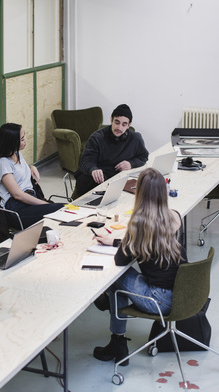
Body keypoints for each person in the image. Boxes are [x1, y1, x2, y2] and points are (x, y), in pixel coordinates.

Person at [92, 168, 187, 366]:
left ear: (139, 193)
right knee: (119, 284)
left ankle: (117, 340)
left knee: (115, 277)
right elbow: (151, 244)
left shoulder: (140, 224)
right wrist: (116, 241)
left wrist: (125, 237)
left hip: (158, 300)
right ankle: (115, 335)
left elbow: (120, 261)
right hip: (180, 293)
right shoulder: (176, 216)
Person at [0, 123, 65, 229]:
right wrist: (45, 204)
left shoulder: (17, 153)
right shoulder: (3, 163)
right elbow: (18, 195)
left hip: (29, 199)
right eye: (22, 139)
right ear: (12, 142)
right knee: (61, 209)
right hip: (17, 208)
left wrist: (32, 167)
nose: (25, 141)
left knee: (63, 210)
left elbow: (20, 169)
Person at [75, 104, 148, 196]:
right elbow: (85, 161)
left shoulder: (135, 138)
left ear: (129, 125)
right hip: (98, 179)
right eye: (117, 122)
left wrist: (131, 163)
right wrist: (93, 169)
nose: (119, 128)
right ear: (111, 120)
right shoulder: (97, 137)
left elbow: (144, 156)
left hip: (119, 179)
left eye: (124, 124)